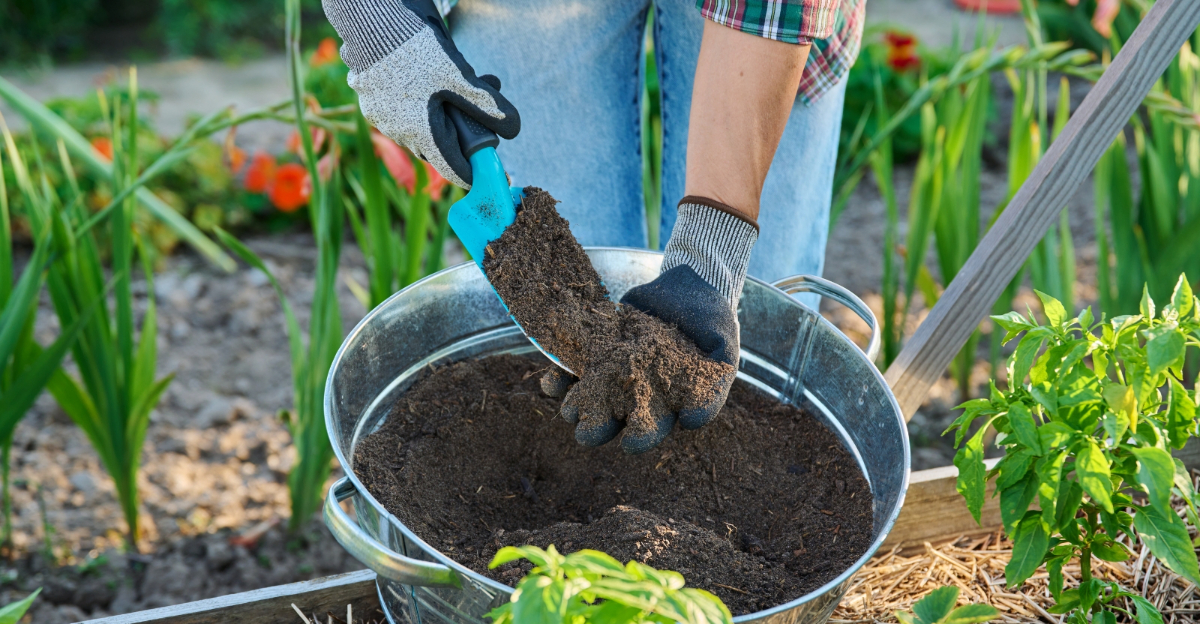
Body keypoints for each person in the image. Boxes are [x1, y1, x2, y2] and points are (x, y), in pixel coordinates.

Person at [321, 0, 864, 453]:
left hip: (763, 19)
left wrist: (711, 250)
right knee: (565, 389)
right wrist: (380, 26)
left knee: (758, 348)